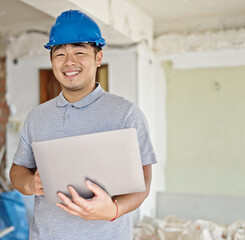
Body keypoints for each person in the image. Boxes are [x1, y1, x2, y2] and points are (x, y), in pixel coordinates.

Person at [9, 9, 157, 240]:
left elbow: (143, 183)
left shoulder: (125, 114)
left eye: (79, 52)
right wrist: (29, 184)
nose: (69, 62)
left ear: (98, 58)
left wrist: (114, 210)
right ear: (51, 60)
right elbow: (17, 170)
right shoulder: (36, 117)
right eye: (60, 54)